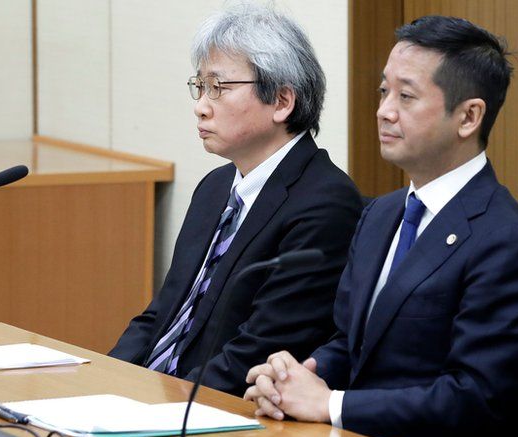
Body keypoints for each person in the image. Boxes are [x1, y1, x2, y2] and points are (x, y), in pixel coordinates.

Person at [243, 15, 518, 437]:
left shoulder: (506, 242)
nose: (385, 111)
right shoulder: (381, 214)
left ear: (468, 117)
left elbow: (473, 399)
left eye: (406, 97)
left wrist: (330, 404)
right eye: (383, 92)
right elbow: (352, 345)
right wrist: (300, 376)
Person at [109, 5, 361, 396]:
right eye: (200, 87)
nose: (201, 105)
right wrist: (106, 383)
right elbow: (161, 314)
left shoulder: (325, 204)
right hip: (160, 397)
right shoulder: (215, 187)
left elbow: (259, 349)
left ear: (282, 101)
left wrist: (158, 406)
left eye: (219, 88)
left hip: (216, 412)